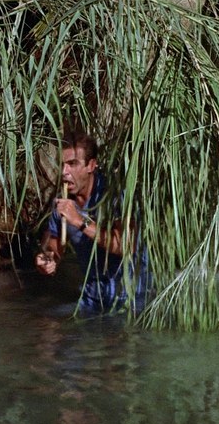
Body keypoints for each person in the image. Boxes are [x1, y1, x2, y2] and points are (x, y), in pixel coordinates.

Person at [34, 132, 151, 315]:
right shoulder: (63, 202)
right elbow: (53, 247)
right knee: (46, 325)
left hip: (133, 298)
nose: (64, 172)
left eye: (72, 164)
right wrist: (47, 260)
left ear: (91, 165)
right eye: (62, 164)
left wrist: (80, 220)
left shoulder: (113, 194)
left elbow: (126, 245)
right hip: (93, 298)